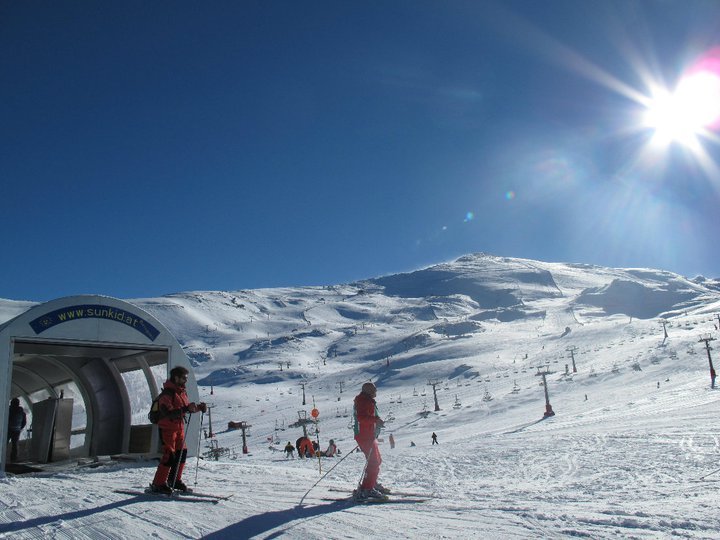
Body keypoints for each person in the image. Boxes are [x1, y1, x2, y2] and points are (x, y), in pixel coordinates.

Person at [150, 366, 206, 494]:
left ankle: (174, 480)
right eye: (183, 378)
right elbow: (168, 413)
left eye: (186, 378)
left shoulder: (180, 392)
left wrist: (198, 408)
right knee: (169, 456)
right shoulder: (167, 394)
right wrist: (187, 409)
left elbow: (185, 408)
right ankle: (158, 484)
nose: (185, 381)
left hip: (178, 428)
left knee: (182, 454)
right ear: (176, 377)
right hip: (167, 429)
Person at [353, 382, 387, 499]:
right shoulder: (363, 401)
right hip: (364, 436)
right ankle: (367, 488)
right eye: (374, 390)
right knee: (374, 461)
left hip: (368, 435)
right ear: (368, 391)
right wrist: (375, 420)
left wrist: (376, 421)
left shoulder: (366, 400)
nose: (376, 392)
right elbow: (361, 418)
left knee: (377, 460)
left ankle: (371, 483)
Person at [7, 398, 27, 462]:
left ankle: (1, 457)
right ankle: (13, 459)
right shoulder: (22, 412)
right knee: (15, 445)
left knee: (4, 444)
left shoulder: (9, 410)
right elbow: (24, 422)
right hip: (17, 430)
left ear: (12, 403)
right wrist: (19, 428)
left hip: (8, 429)